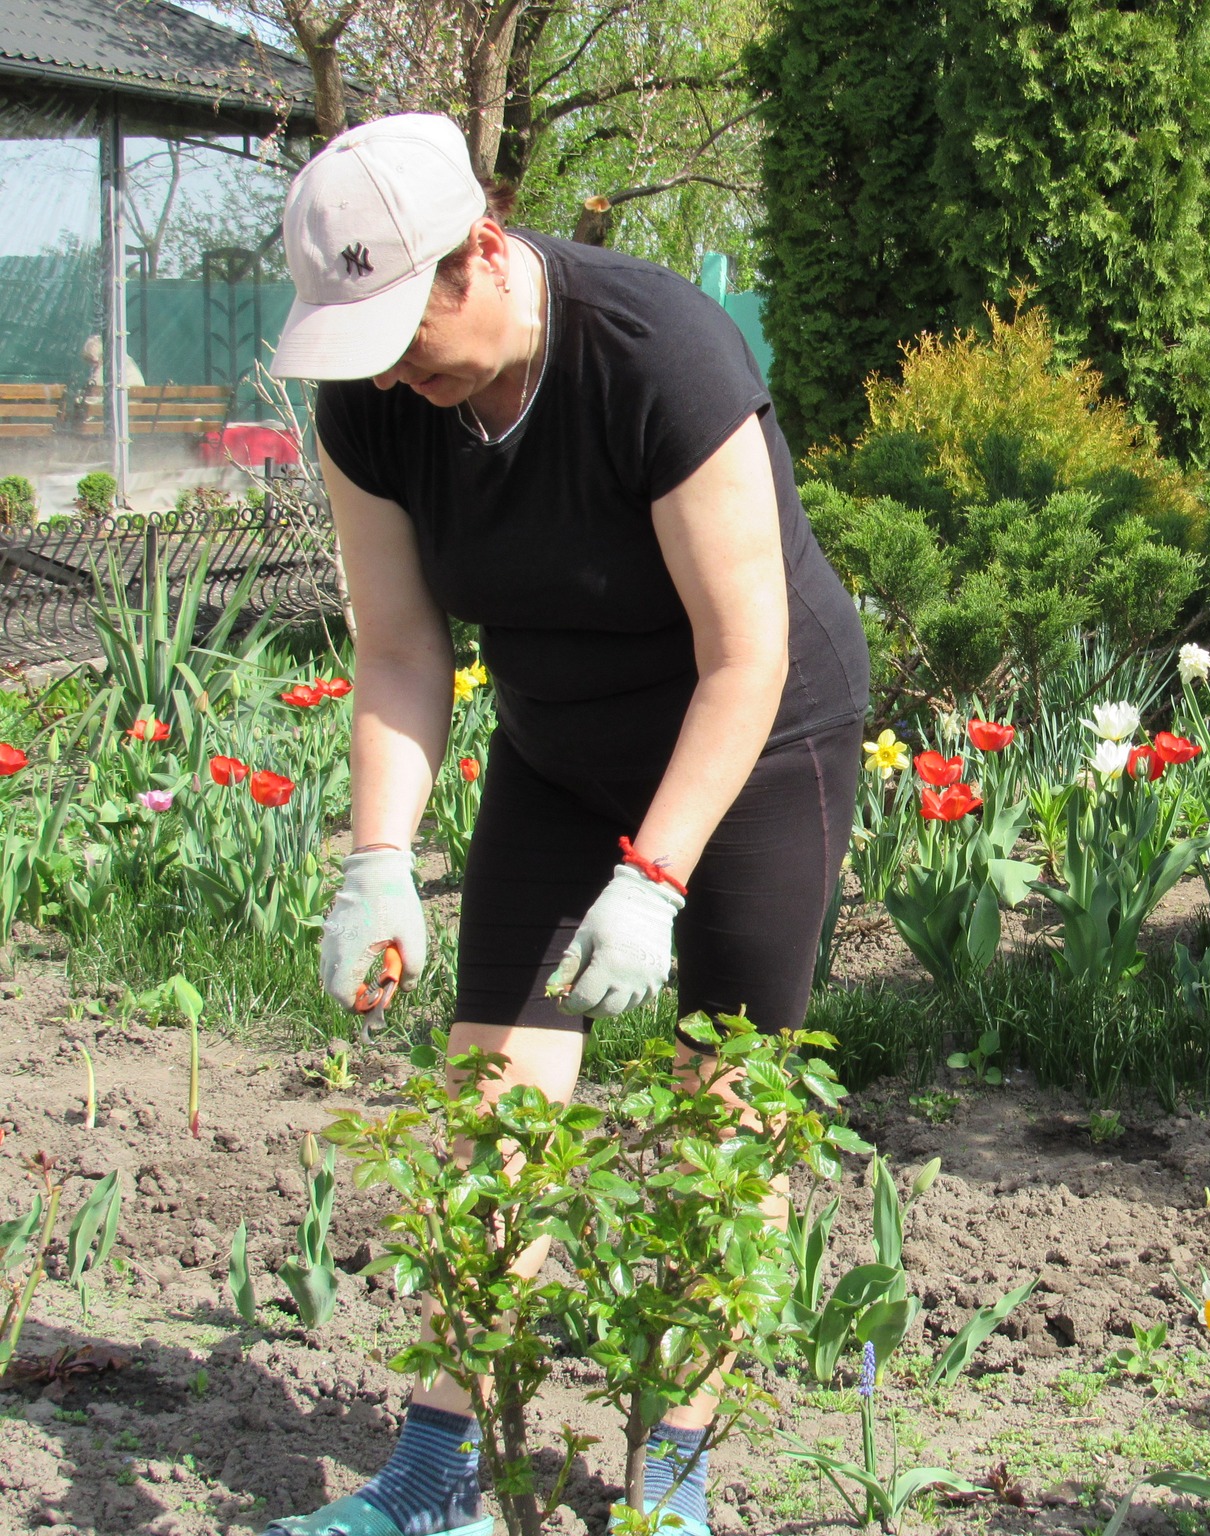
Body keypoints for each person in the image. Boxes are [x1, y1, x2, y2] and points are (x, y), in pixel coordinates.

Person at [264, 113, 869, 1536]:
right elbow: (404, 652)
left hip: (757, 739)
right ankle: (434, 1481)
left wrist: (656, 876)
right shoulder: (372, 400)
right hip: (557, 743)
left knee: (728, 1111)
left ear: (483, 251)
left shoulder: (658, 356)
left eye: (408, 325)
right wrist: (376, 862)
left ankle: (669, 1491)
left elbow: (746, 658)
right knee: (494, 1106)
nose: (393, 370)